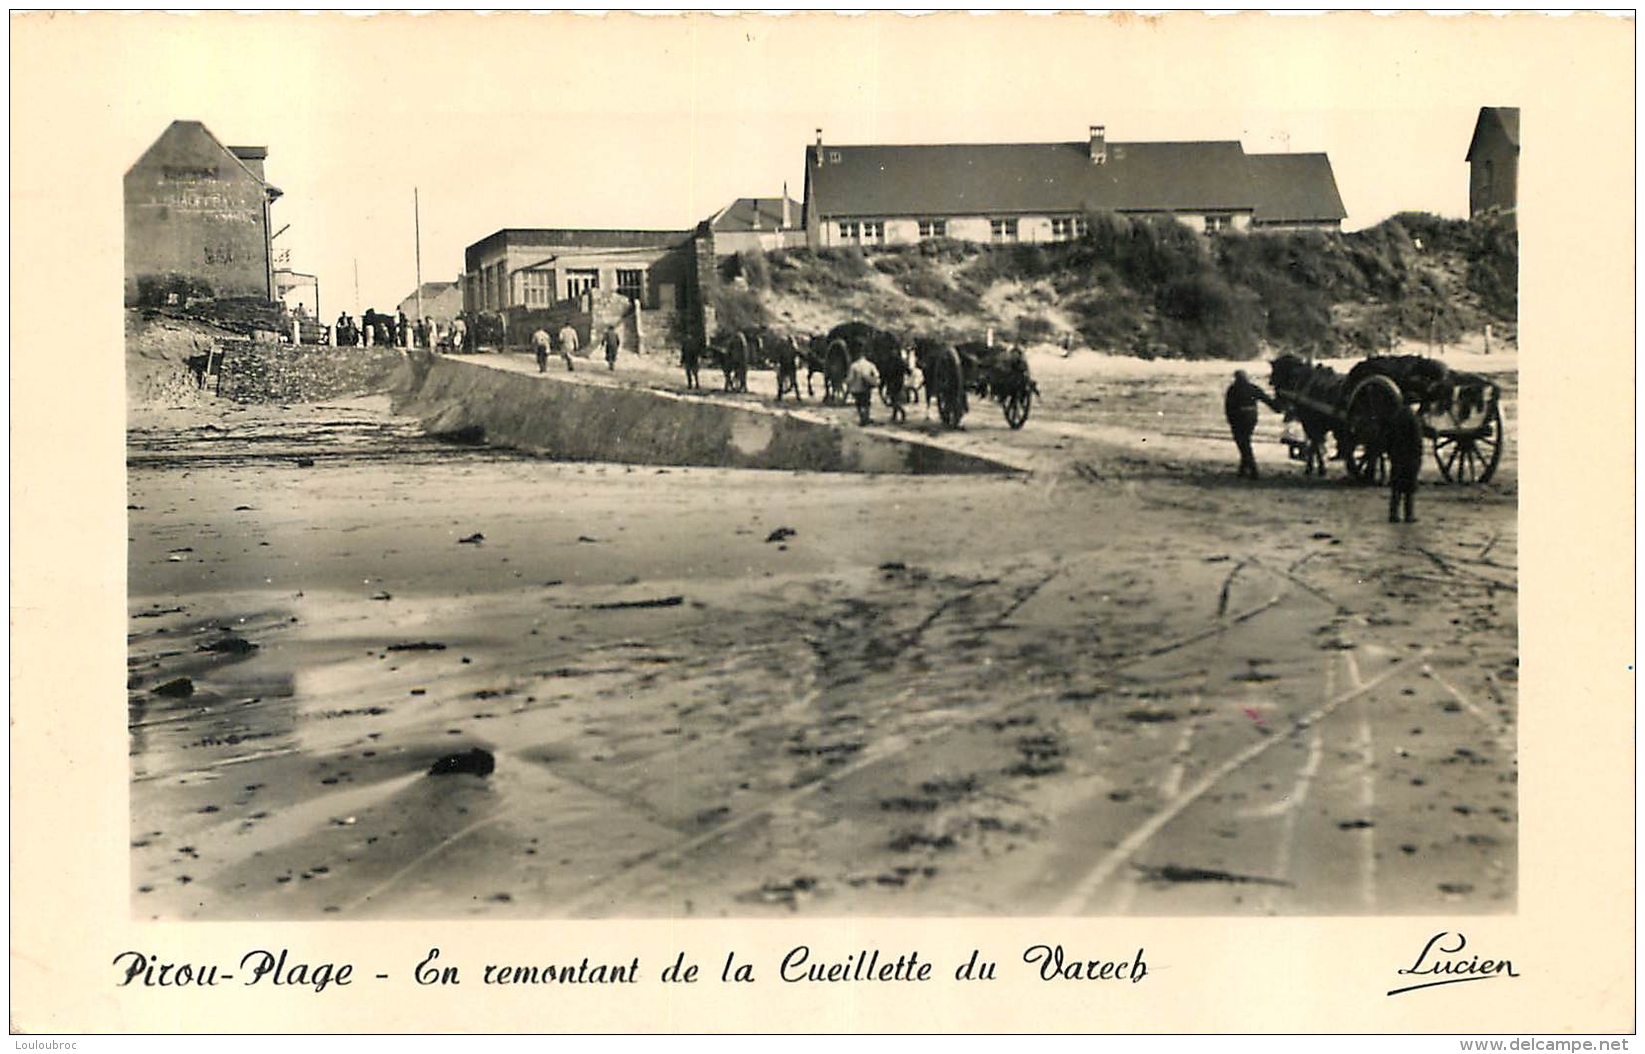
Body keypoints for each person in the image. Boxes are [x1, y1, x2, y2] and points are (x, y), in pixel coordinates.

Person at [1225, 369, 1277, 479]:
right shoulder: (1252, 388)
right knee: (1245, 441)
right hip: (1251, 417)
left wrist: (1230, 421)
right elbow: (1267, 400)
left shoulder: (1233, 389)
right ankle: (1243, 469)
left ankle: (1253, 470)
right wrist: (1279, 407)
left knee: (1243, 443)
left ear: (1236, 378)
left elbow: (1228, 407)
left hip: (1238, 417)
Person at [845, 348, 881, 426]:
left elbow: (850, 378)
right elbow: (877, 375)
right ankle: (866, 418)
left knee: (859, 404)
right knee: (866, 403)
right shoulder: (870, 364)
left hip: (856, 389)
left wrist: (846, 382)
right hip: (866, 387)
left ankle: (862, 419)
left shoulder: (854, 366)